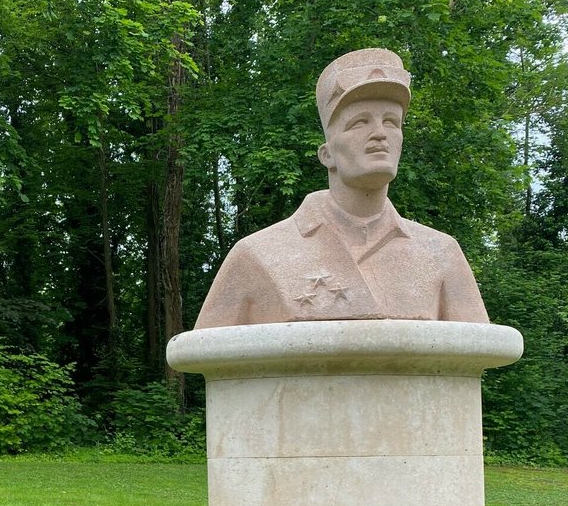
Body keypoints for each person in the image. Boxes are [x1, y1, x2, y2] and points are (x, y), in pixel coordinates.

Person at [194, 47, 490, 328]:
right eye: (359, 122)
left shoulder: (441, 253)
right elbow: (205, 354)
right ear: (327, 154)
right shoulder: (257, 255)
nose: (379, 135)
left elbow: (479, 350)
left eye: (391, 122)